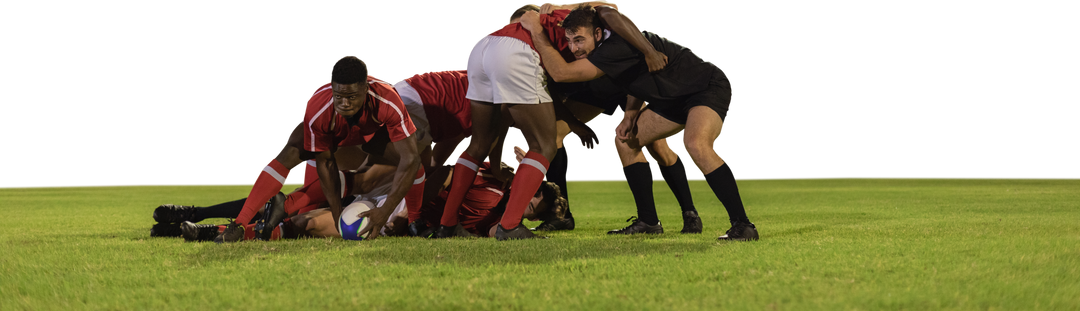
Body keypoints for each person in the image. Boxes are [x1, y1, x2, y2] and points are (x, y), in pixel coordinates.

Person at [520, 5, 759, 240]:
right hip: (668, 99)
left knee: (695, 143)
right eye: (570, 41)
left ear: (597, 34)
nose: (574, 48)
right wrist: (631, 114)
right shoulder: (607, 41)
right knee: (625, 141)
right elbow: (633, 78)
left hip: (704, 88)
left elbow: (562, 72)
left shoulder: (611, 46)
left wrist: (537, 31)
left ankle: (742, 224)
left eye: (579, 40)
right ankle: (648, 221)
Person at [439, 0, 664, 241]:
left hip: (483, 47)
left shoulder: (556, 18)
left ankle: (447, 224)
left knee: (479, 144)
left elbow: (544, 97)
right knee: (544, 145)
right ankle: (510, 225)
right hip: (516, 51)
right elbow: (612, 7)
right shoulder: (595, 24)